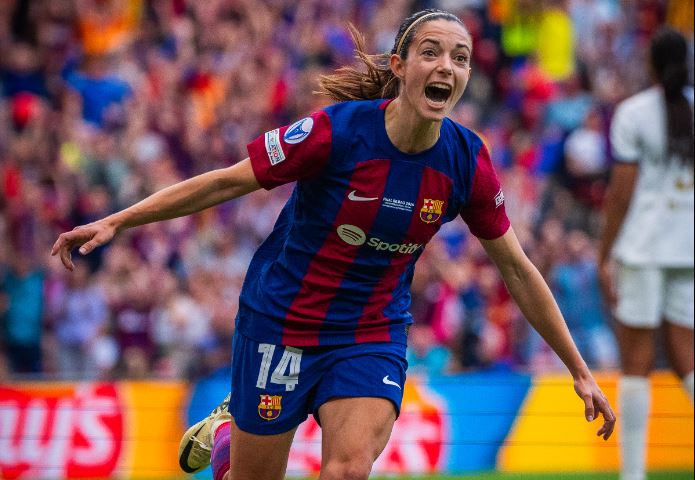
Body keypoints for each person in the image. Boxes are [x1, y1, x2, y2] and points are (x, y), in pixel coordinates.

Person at [52, 9, 615, 480]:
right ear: (399, 66)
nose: (447, 65)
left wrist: (579, 369)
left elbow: (516, 269)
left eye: (460, 57)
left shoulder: (466, 161)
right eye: (431, 52)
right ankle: (229, 434)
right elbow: (226, 181)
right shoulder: (336, 132)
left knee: (347, 470)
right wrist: (119, 221)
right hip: (281, 320)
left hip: (370, 331)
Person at [599, 27, 693, 480]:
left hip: (642, 248)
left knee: (635, 365)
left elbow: (621, 193)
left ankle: (633, 474)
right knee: (686, 356)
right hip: (688, 249)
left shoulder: (634, 113)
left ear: (651, 65)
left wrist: (604, 253)